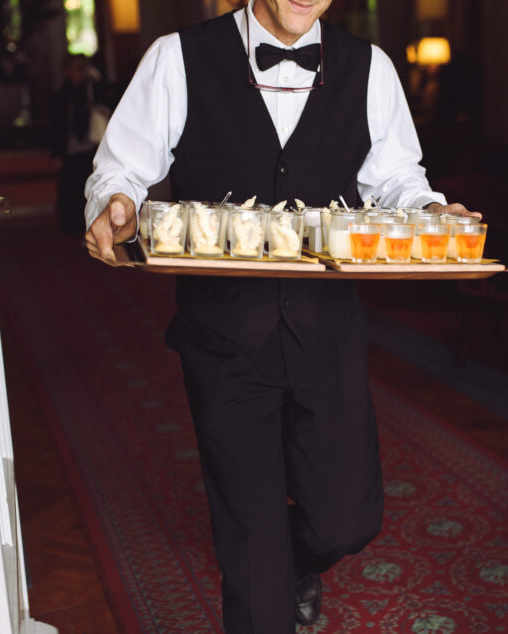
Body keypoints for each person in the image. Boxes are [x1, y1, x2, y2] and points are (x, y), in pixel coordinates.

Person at [83, 1, 477, 631]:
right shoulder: (176, 57)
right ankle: (268, 570)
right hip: (225, 339)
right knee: (250, 548)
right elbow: (120, 168)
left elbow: (398, 176)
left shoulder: (369, 68)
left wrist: (432, 209)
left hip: (328, 332)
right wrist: (117, 202)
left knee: (347, 520)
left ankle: (296, 562)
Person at [51, 53, 106, 234]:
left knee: (88, 186)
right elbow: (57, 125)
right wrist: (57, 153)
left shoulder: (92, 89)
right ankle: (71, 223)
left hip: (90, 146)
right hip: (71, 148)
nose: (79, 73)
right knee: (70, 186)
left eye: (82, 68)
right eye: (76, 68)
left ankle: (89, 223)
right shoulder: (62, 94)